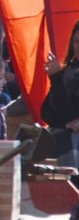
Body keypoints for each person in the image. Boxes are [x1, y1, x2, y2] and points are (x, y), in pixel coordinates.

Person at [40, 23, 79, 164]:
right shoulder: (68, 72)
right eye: (76, 41)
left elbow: (70, 112)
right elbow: (47, 112)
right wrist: (64, 124)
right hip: (61, 139)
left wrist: (56, 78)